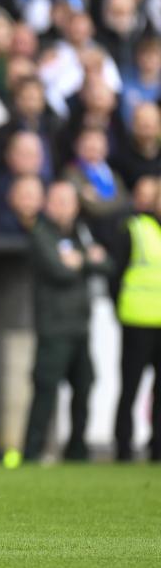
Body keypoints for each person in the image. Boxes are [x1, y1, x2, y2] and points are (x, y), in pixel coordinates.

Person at [22, 182, 113, 461]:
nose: (63, 207)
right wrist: (87, 261)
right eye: (57, 201)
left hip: (79, 325)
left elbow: (107, 265)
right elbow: (59, 270)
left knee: (84, 386)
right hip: (54, 325)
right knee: (46, 389)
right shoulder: (41, 233)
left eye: (68, 202)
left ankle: (77, 451)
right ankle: (32, 452)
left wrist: (80, 260)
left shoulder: (80, 234)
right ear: (48, 203)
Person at [113, 184, 161, 462]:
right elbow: (115, 273)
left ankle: (157, 449)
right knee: (130, 387)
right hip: (137, 320)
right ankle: (123, 448)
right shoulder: (135, 229)